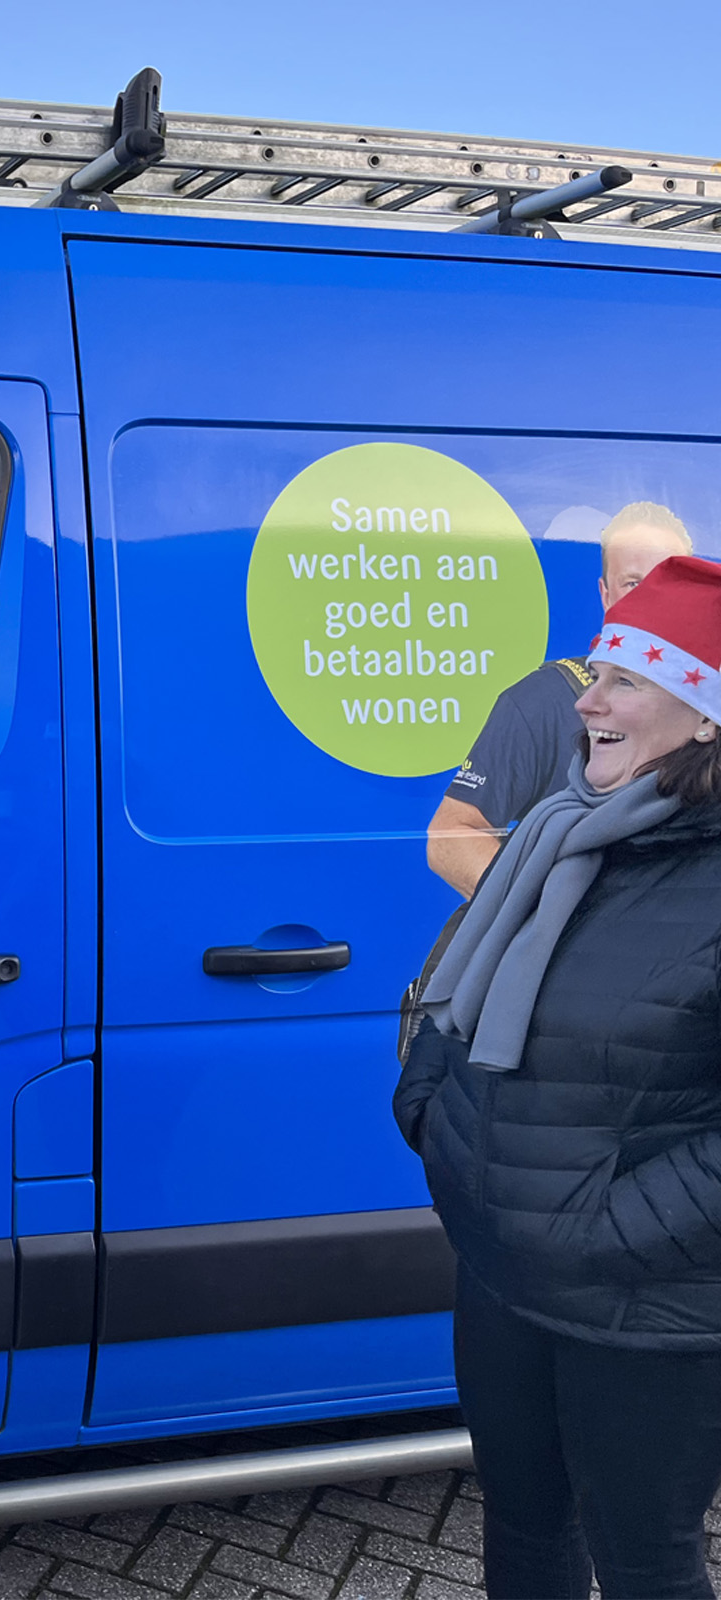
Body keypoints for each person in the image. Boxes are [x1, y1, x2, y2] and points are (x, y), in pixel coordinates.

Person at [396, 553, 721, 1599]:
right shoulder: (559, 832)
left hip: (642, 1305)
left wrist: (599, 1228)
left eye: (626, 680)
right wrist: (436, 1118)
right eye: (598, 672)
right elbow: (461, 988)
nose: (588, 700)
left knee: (644, 1565)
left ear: (705, 717)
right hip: (504, 1269)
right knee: (525, 1531)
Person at [427, 501, 693, 896]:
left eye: (667, 583)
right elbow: (451, 834)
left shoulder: (709, 706)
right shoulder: (546, 699)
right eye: (633, 584)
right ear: (606, 595)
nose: (652, 600)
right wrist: (541, 912)